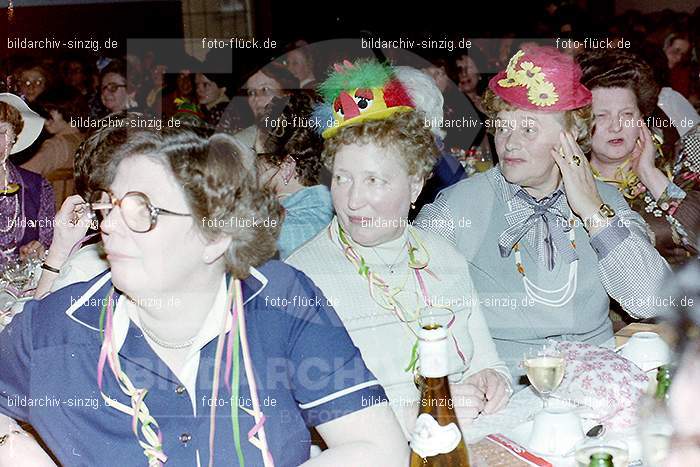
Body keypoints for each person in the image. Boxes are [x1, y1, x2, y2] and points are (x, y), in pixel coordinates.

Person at [0, 126, 409, 466]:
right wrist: (19, 450)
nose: (110, 227)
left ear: (215, 237)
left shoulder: (279, 301)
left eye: (144, 210)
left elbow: (378, 448)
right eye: (111, 205)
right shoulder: (57, 328)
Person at [415, 47, 669, 382]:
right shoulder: (461, 205)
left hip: (596, 378)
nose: (510, 143)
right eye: (503, 127)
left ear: (573, 133)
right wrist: (465, 372)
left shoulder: (604, 200)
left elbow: (652, 301)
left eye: (529, 129)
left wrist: (592, 213)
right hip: (504, 386)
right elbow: (409, 299)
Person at [287, 59, 511, 437]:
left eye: (374, 180)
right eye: (342, 178)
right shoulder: (302, 279)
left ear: (414, 185)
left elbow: (487, 361)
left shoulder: (445, 257)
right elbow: (311, 418)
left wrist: (492, 378)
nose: (353, 200)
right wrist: (431, 407)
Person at [578, 49, 700, 265]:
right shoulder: (571, 180)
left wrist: (649, 174)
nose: (616, 126)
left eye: (627, 114)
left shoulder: (678, 165)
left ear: (641, 118)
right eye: (601, 116)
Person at [255, 93, 333, 258]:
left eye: (257, 155)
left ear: (287, 167)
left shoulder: (277, 234)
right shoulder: (329, 211)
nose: (252, 164)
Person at [0, 93, 55, 267]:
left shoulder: (38, 187)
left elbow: (49, 240)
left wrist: (40, 248)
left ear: (14, 136)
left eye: (1, 131)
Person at [21, 87, 87, 206]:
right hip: (74, 211)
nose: (44, 117)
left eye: (49, 110)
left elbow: (21, 178)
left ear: (68, 110)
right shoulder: (85, 140)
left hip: (49, 213)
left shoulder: (57, 146)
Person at [237, 63, 297, 149]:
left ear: (287, 93)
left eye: (265, 89)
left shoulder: (309, 132)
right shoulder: (241, 144)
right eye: (251, 92)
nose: (256, 98)